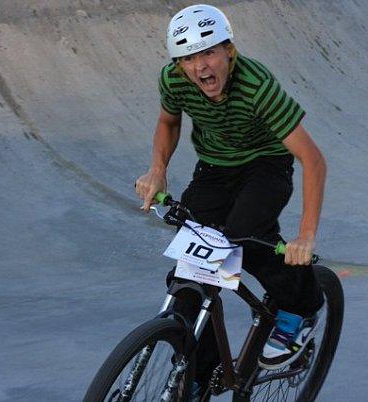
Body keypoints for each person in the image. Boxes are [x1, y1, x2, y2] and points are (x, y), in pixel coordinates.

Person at [135, 3, 327, 394]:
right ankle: (197, 375)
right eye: (188, 58)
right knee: (188, 278)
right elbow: (168, 121)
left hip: (266, 164)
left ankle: (302, 306)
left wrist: (306, 236)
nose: (200, 67)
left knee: (244, 235)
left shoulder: (257, 85)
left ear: (229, 51)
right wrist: (158, 169)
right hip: (215, 168)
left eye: (208, 53)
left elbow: (313, 159)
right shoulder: (174, 80)